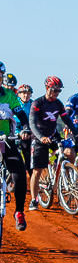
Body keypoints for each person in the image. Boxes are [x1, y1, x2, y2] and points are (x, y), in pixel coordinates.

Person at [28, 76, 77, 211]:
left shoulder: (58, 104)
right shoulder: (38, 103)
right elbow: (32, 123)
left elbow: (66, 119)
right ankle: (33, 199)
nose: (56, 93)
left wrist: (76, 132)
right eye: (54, 90)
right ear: (47, 88)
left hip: (53, 135)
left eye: (58, 91)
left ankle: (64, 174)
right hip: (39, 138)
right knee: (37, 170)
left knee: (69, 152)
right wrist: (41, 137)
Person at [0, 75, 31, 230]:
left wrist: (25, 127)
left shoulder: (9, 95)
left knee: (19, 174)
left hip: (7, 140)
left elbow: (21, 114)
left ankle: (19, 212)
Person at [14, 84, 33, 169]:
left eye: (28, 93)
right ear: (18, 94)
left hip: (27, 133)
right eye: (23, 93)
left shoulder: (33, 104)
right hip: (14, 131)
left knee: (28, 155)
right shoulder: (14, 102)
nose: (26, 95)